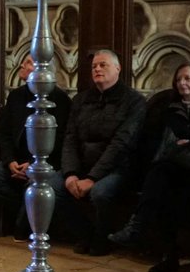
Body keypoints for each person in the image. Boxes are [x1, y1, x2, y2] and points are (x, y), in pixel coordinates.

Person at [108, 62, 190, 272]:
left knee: (163, 184)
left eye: (187, 78)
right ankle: (165, 253)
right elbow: (150, 142)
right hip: (174, 170)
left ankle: (139, 228)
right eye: (178, 80)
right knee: (161, 178)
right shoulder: (168, 111)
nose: (182, 83)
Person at [51, 49, 146, 256]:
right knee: (51, 187)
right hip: (82, 166)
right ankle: (85, 234)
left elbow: (121, 143)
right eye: (94, 66)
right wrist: (70, 174)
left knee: (100, 192)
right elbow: (70, 139)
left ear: (118, 68)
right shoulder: (81, 100)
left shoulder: (134, 101)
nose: (97, 69)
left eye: (103, 65)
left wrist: (93, 178)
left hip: (116, 168)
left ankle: (102, 239)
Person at [0, 55, 71, 239]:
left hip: (44, 162)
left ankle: (25, 229)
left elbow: (61, 141)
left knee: (36, 183)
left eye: (29, 62)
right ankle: (25, 208)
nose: (22, 64)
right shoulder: (15, 96)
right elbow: (4, 133)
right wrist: (10, 161)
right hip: (15, 160)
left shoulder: (60, 100)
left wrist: (33, 164)